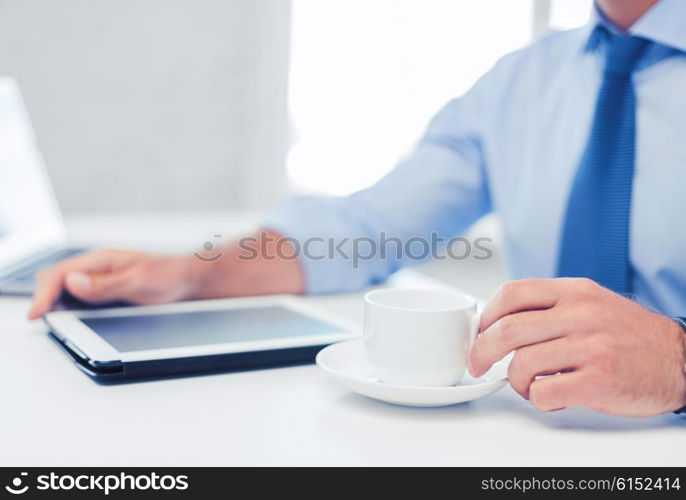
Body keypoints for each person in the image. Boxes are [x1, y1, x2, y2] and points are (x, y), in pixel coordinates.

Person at [29, 0, 686, 417]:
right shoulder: (520, 81)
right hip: (544, 443)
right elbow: (367, 230)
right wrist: (194, 274)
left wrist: (679, 359)